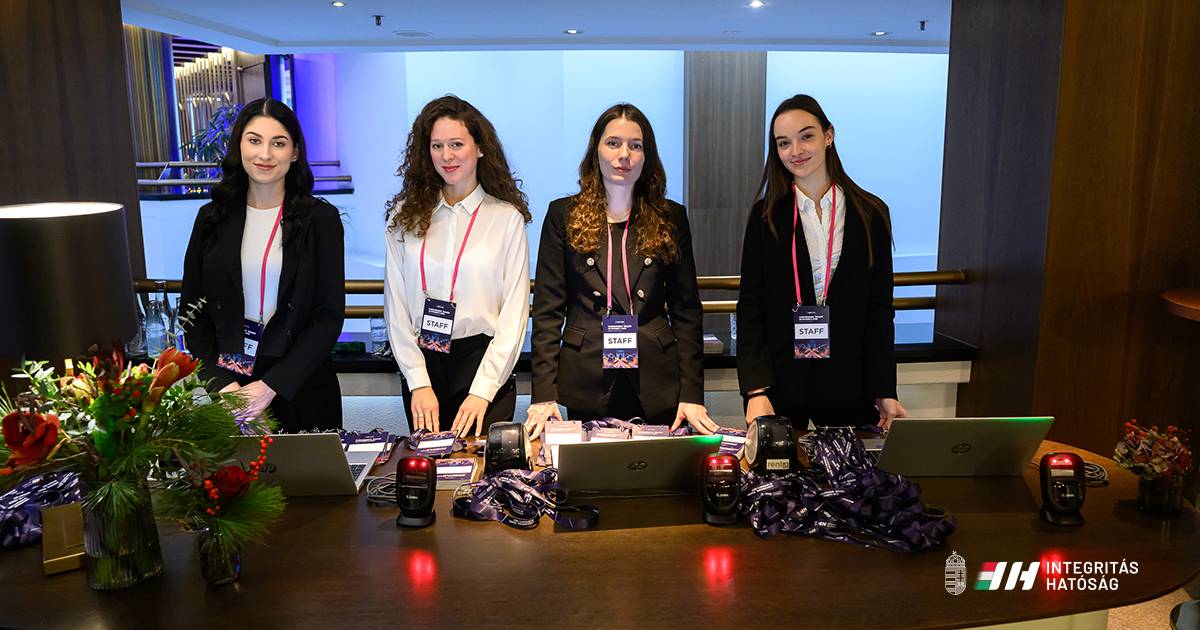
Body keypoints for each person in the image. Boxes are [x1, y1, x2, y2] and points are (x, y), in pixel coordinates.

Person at [527, 103, 717, 438]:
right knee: (591, 467)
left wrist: (692, 393)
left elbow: (687, 312)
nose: (624, 155)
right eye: (613, 143)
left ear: (647, 156)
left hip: (656, 377)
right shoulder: (562, 215)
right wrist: (543, 393)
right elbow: (547, 311)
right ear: (596, 151)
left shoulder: (670, 217)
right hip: (586, 375)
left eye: (635, 145)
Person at [737, 94, 907, 431]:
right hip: (781, 384)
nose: (796, 151)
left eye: (806, 136)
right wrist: (756, 390)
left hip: (850, 383)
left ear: (829, 136)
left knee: (855, 466)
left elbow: (879, 311)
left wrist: (884, 389)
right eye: (784, 143)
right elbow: (751, 309)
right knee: (779, 467)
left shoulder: (871, 213)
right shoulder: (765, 217)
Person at [182, 97, 346, 432]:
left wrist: (270, 386)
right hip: (230, 389)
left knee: (310, 469)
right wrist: (224, 388)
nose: (265, 154)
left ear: (295, 152)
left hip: (301, 386)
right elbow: (192, 313)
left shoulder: (321, 220)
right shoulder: (211, 218)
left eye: (279, 143)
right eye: (254, 140)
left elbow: (328, 316)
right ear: (239, 145)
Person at [384, 95, 531, 438]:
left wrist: (484, 388)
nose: (447, 156)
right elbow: (396, 307)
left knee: (481, 468)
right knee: (431, 465)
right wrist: (417, 381)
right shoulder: (403, 217)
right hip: (424, 369)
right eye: (437, 146)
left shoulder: (505, 218)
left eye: (457, 144)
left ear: (479, 148)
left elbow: (514, 313)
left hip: (483, 365)